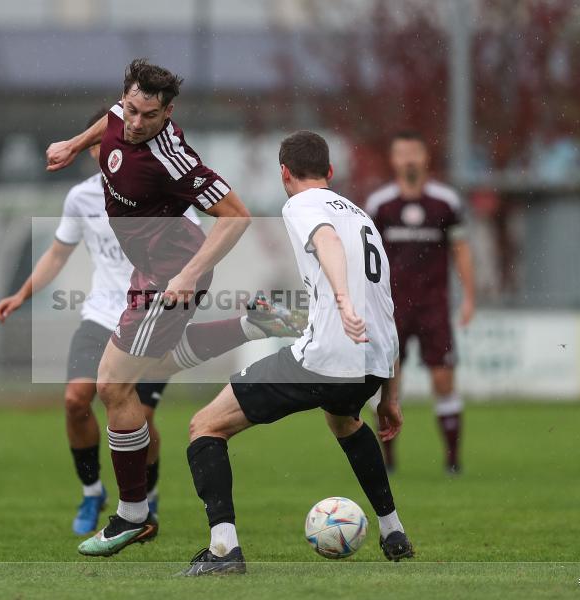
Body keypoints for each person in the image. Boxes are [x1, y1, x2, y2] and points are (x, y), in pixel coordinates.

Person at [45, 59, 302, 557]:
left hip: (172, 270)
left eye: (149, 115)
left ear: (169, 111)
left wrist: (185, 276)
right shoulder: (125, 114)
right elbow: (112, 118)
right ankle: (251, 322)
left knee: (112, 386)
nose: (136, 123)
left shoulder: (175, 158)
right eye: (132, 110)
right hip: (151, 267)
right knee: (150, 367)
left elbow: (236, 216)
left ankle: (132, 515)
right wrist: (74, 145)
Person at [180, 131, 414, 576]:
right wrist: (391, 396)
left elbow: (324, 241)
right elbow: (385, 306)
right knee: (344, 419)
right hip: (373, 360)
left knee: (205, 427)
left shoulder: (302, 205)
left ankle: (224, 551)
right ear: (330, 172)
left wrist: (342, 302)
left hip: (328, 355)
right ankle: (393, 530)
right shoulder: (363, 217)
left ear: (284, 172)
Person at [0, 109, 185, 535]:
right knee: (75, 400)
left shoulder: (163, 192)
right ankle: (92, 491)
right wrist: (22, 293)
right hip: (101, 315)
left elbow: (193, 248)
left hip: (150, 318)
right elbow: (57, 254)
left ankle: (145, 502)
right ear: (90, 148)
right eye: (100, 144)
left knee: (143, 419)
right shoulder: (81, 197)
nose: (108, 151)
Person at [366, 131, 476, 474]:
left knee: (443, 380)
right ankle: (388, 460)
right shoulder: (379, 204)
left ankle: (453, 460)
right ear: (393, 160)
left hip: (434, 306)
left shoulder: (446, 202)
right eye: (402, 153)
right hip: (391, 309)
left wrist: (470, 297)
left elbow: (460, 250)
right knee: (388, 383)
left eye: (415, 152)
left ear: (426, 157)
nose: (409, 159)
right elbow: (367, 257)